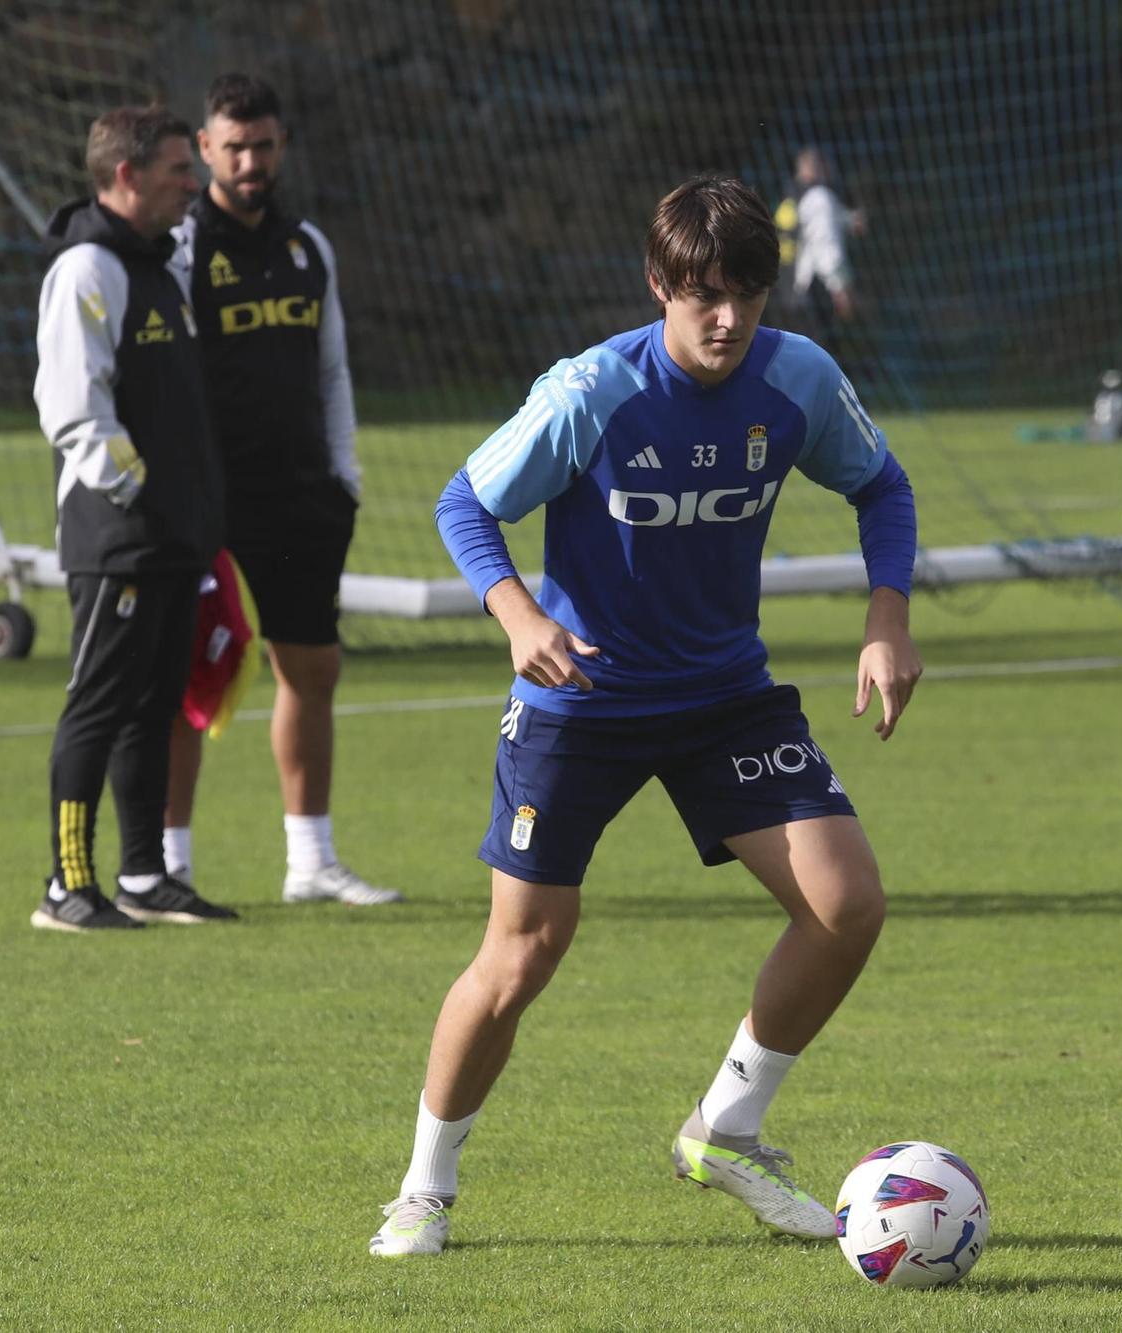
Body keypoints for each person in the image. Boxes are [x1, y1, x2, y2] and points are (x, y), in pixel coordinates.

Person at [369, 175, 922, 1257]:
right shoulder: (592, 390)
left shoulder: (796, 377)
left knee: (846, 902)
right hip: (581, 696)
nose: (726, 319)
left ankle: (727, 1129)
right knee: (523, 951)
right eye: (704, 295)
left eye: (747, 296)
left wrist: (885, 617)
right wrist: (517, 613)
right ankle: (423, 1190)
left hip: (723, 697)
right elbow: (464, 501)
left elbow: (881, 486)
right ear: (658, 285)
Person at [164, 74, 401, 907]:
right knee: (184, 672)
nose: (251, 161)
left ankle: (311, 860)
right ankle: (167, 862)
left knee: (312, 668)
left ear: (282, 144)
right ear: (204, 149)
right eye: (235, 146)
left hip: (303, 495)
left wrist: (345, 472)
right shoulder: (183, 248)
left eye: (263, 144)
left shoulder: (309, 247)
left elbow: (331, 369)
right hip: (213, 503)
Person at [31, 106, 236, 931]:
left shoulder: (158, 265)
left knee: (154, 704)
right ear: (126, 175)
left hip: (169, 537)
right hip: (118, 537)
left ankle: (144, 874)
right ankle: (66, 885)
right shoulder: (88, 268)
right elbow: (74, 410)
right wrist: (146, 495)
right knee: (99, 702)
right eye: (181, 170)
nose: (196, 184)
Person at [788, 146, 866, 340]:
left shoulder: (793, 198)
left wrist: (849, 219)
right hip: (819, 288)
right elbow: (826, 243)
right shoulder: (821, 197)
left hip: (794, 288)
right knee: (824, 356)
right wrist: (839, 287)